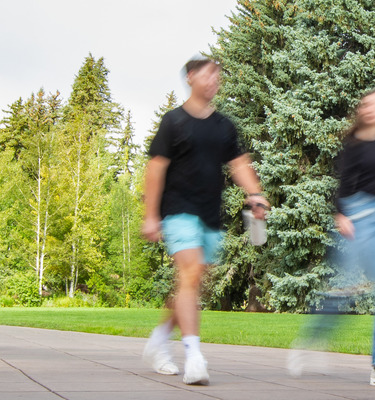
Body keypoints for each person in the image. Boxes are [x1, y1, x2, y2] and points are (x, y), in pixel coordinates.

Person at [139, 56, 271, 386]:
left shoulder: (224, 126)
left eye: (218, 75)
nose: (215, 79)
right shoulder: (174, 122)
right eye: (209, 74)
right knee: (191, 272)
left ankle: (158, 341)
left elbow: (239, 165)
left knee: (192, 282)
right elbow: (156, 169)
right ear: (190, 78)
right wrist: (151, 215)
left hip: (209, 216)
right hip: (178, 211)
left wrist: (255, 194)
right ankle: (194, 356)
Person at [287, 87, 375, 388]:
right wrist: (341, 214)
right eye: (365, 104)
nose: (370, 108)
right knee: (346, 288)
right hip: (359, 215)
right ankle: (311, 340)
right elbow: (343, 183)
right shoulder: (353, 143)